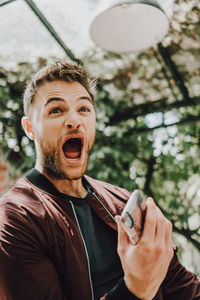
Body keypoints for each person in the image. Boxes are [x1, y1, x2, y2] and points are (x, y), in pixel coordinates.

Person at [0, 60, 199, 300]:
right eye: (56, 110)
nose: (74, 121)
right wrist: (135, 289)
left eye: (84, 109)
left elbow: (180, 284)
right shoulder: (14, 218)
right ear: (30, 128)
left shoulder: (119, 199)